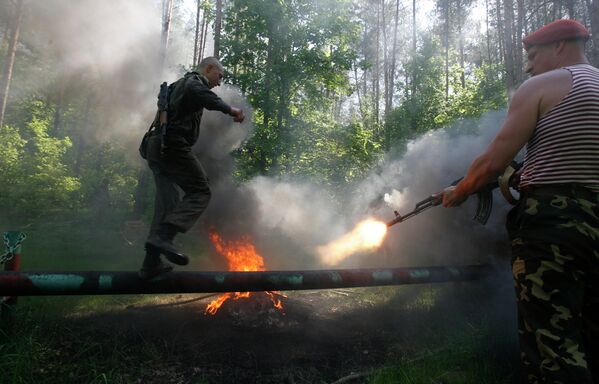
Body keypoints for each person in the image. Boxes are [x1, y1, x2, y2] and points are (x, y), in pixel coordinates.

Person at [441, 19, 599, 383]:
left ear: (559, 46)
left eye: (531, 55)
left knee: (552, 348)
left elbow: (491, 162)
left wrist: (460, 190)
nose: (527, 65)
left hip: (552, 233)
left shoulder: (541, 85)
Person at [139, 56, 245, 279]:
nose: (219, 82)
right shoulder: (193, 82)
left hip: (156, 148)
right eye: (219, 76)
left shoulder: (177, 85)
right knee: (200, 191)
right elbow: (202, 94)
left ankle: (151, 264)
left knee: (166, 204)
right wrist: (230, 110)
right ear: (209, 68)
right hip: (172, 146)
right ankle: (164, 236)